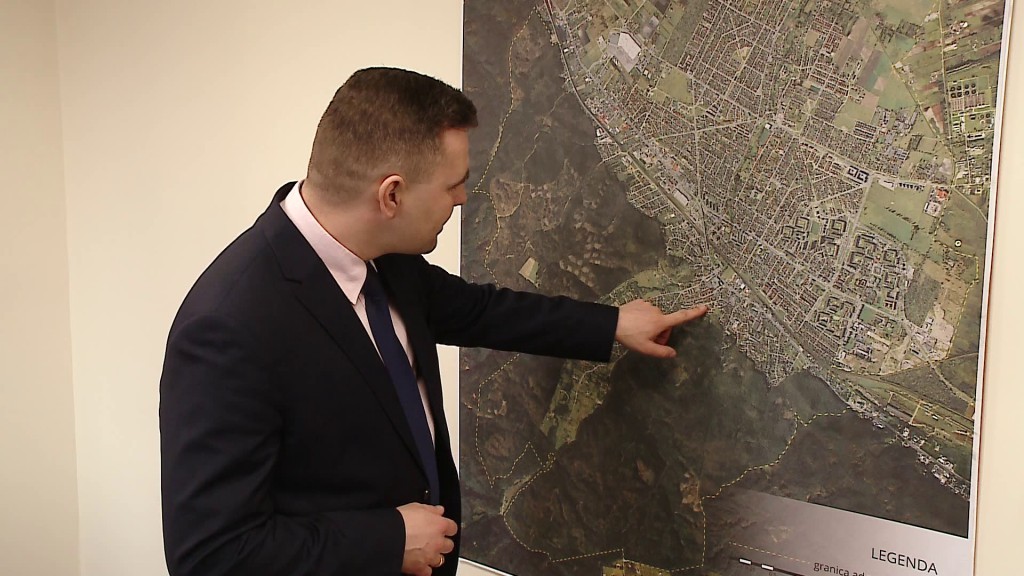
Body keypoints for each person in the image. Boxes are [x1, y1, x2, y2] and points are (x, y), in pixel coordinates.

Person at [159, 67, 708, 576]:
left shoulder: (385, 258)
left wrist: (612, 324)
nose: (464, 199)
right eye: (452, 186)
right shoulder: (229, 328)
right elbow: (211, 555)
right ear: (392, 194)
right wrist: (388, 539)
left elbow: (483, 312)